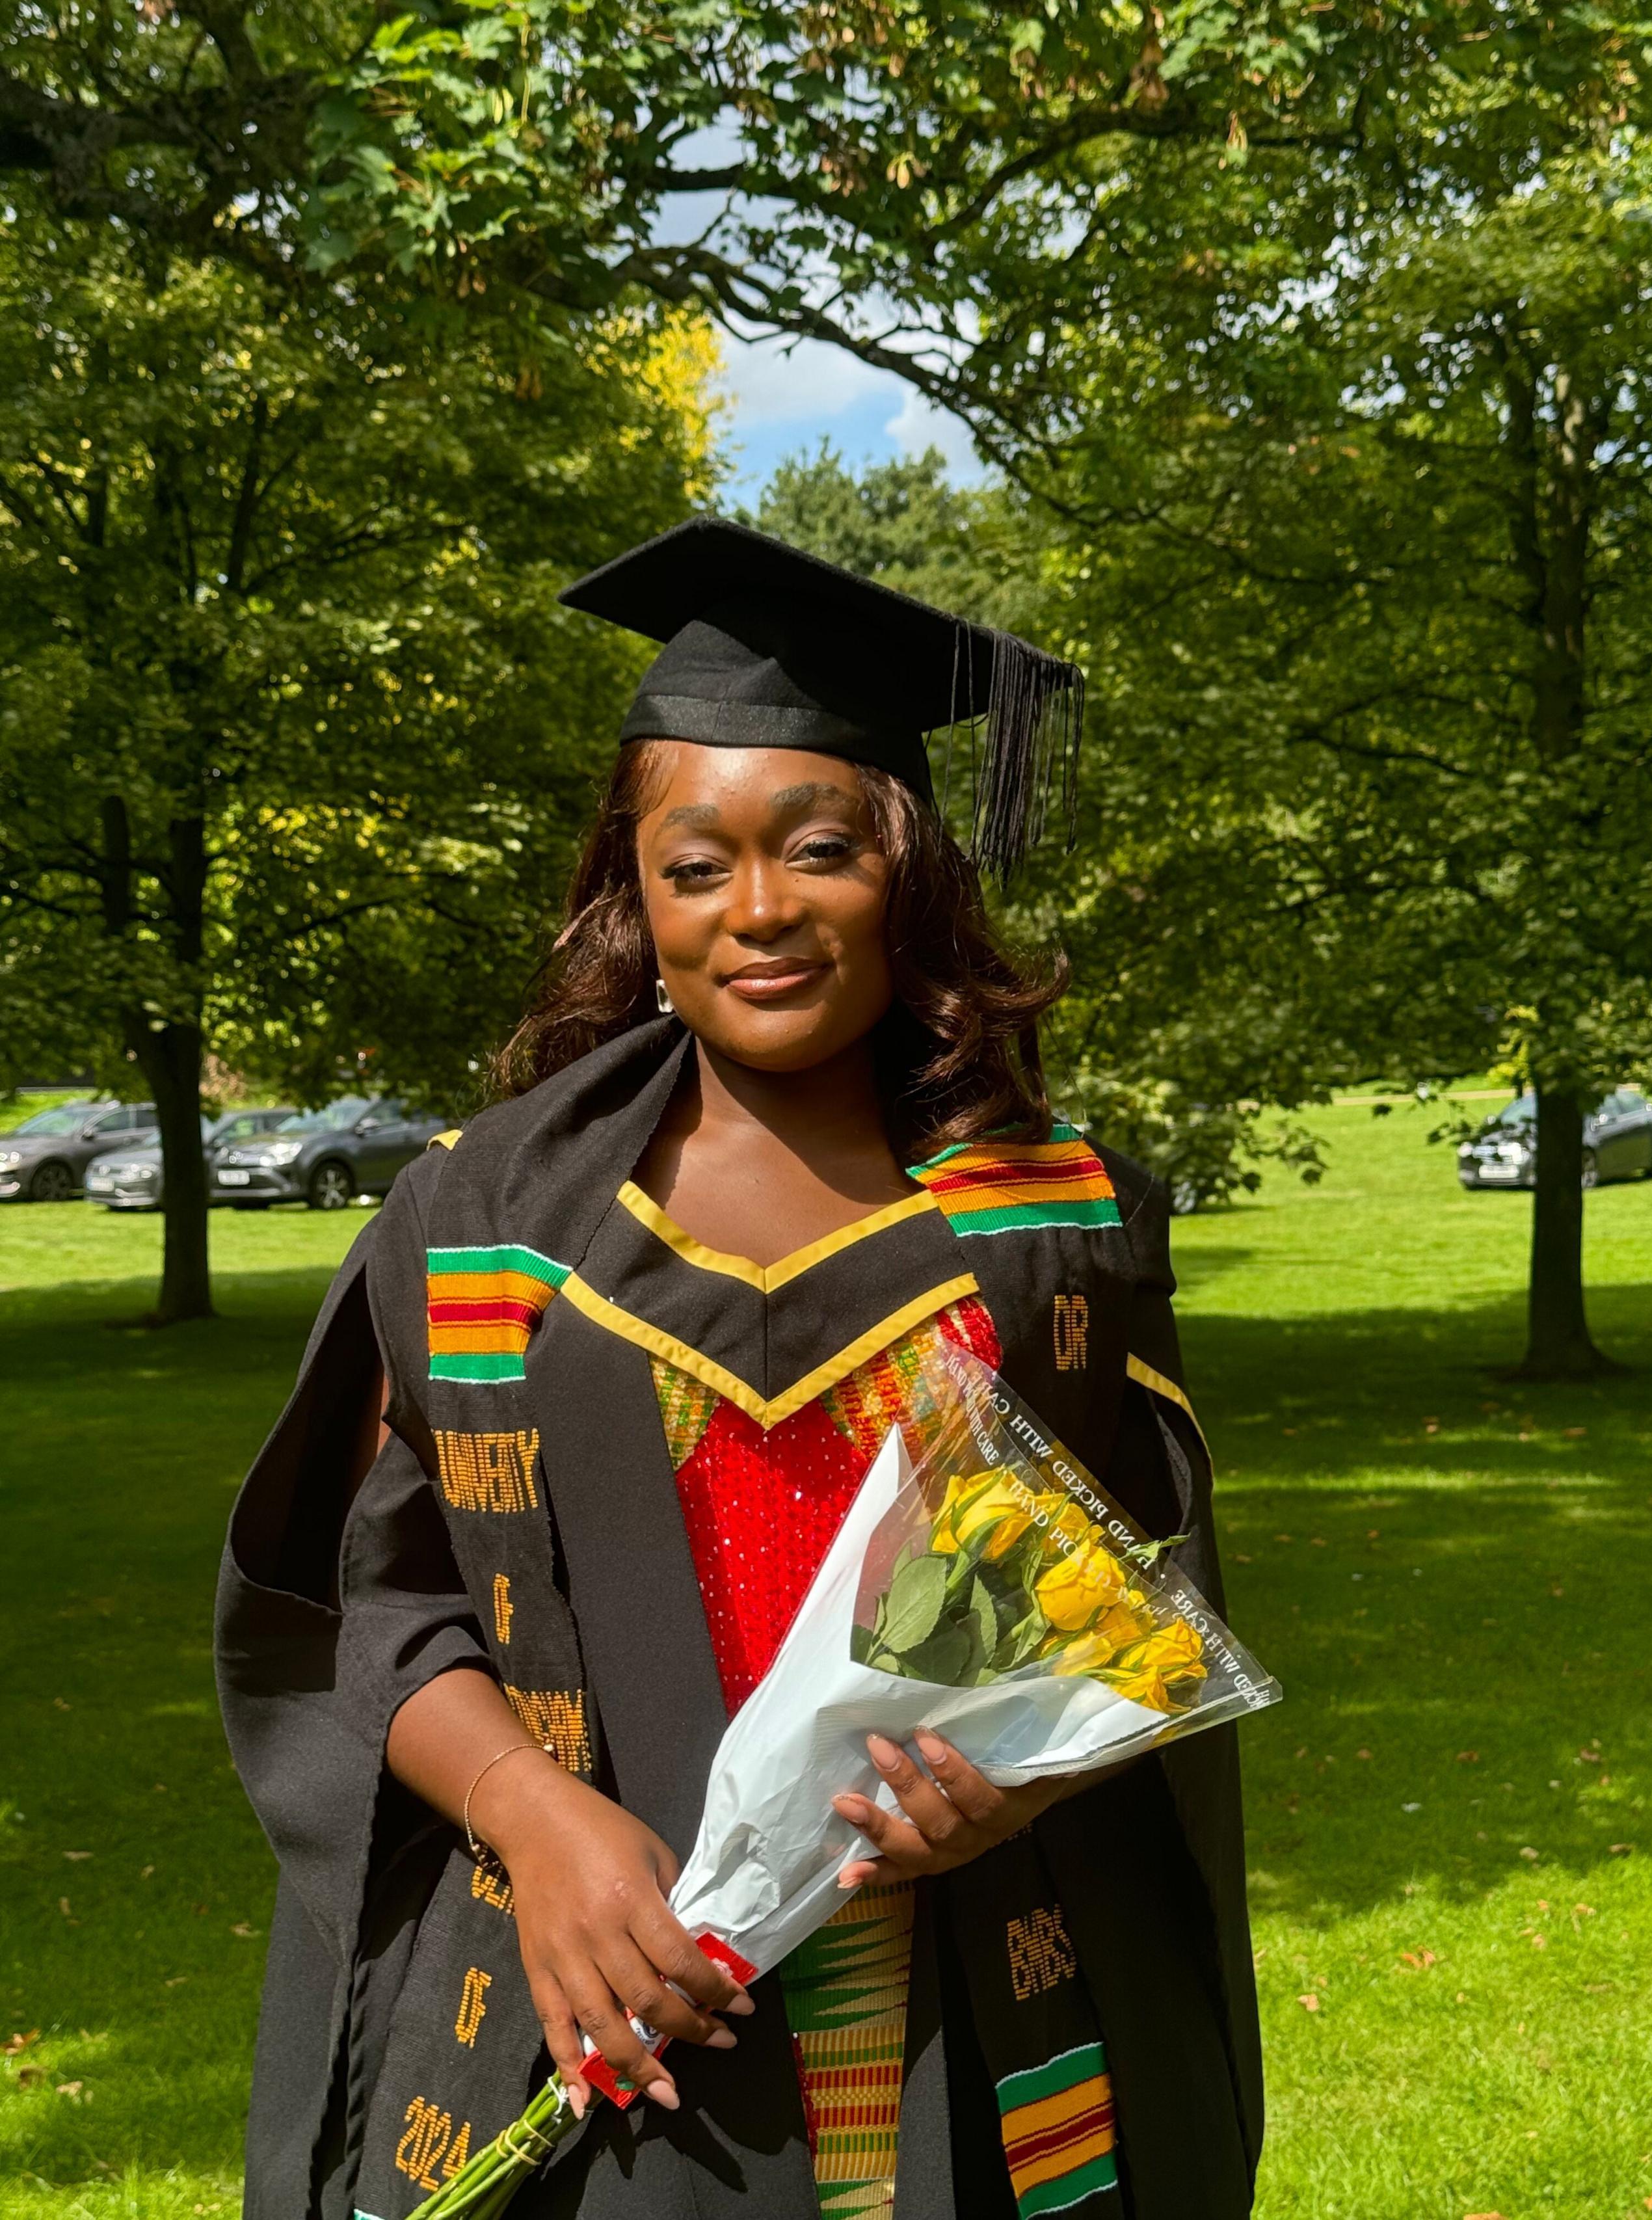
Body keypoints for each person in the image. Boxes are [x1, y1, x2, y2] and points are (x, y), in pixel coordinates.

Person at [217, 518, 1262, 2220]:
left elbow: (1144, 1597)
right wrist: (528, 1816)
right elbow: (367, 1602)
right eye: (695, 867)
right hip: (597, 1999)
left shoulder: (1052, 1225)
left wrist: (1033, 1767)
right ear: (631, 892)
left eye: (820, 850)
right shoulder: (482, 1223)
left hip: (967, 2006)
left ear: (906, 868)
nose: (757, 911)